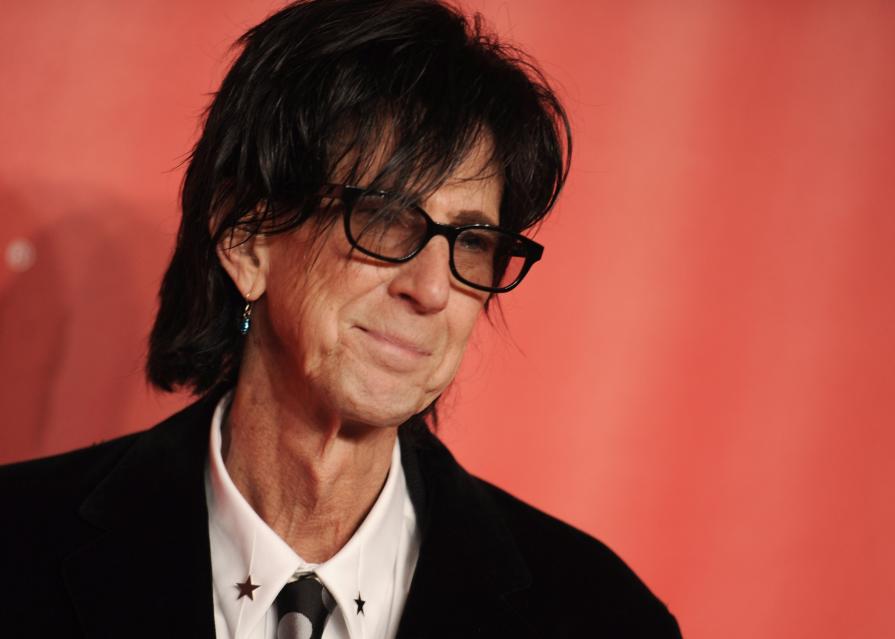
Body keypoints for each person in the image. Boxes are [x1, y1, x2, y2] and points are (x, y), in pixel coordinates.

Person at [0, 0, 681, 636]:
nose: (432, 288)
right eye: (385, 218)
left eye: (471, 242)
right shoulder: (18, 549)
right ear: (246, 236)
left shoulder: (598, 613)